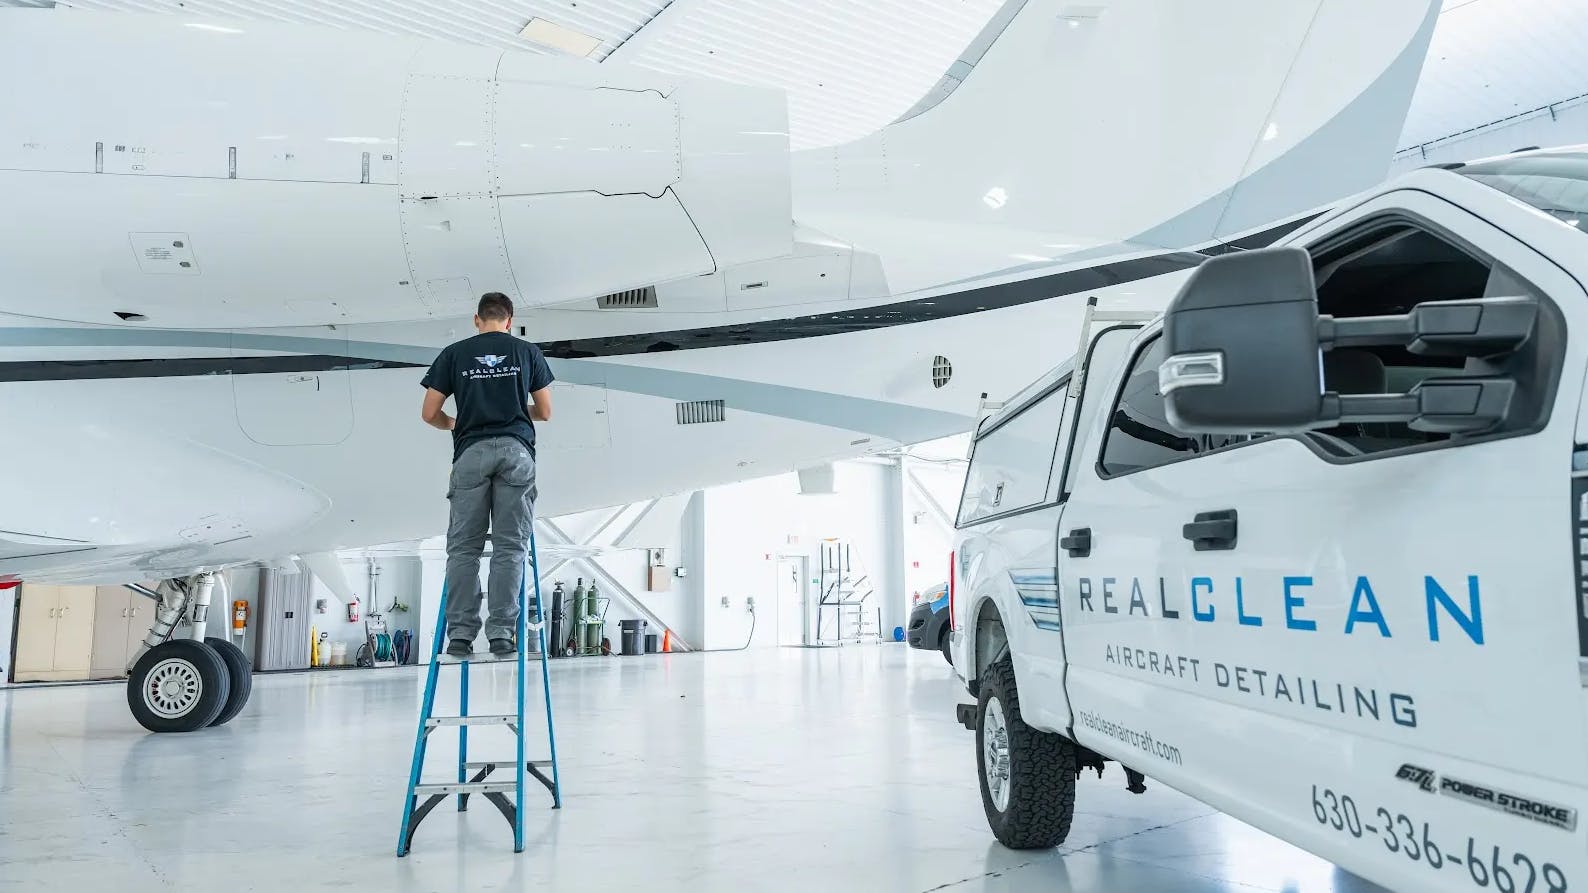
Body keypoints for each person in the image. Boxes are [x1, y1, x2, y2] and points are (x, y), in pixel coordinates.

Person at [420, 292, 554, 657]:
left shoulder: (455, 354)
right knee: (510, 548)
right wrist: (512, 407)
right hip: (516, 452)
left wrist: (457, 422)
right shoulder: (527, 352)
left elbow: (429, 412)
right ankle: (501, 635)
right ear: (509, 321)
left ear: (477, 320)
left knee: (463, 549)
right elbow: (545, 411)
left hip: (471, 454)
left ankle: (460, 636)